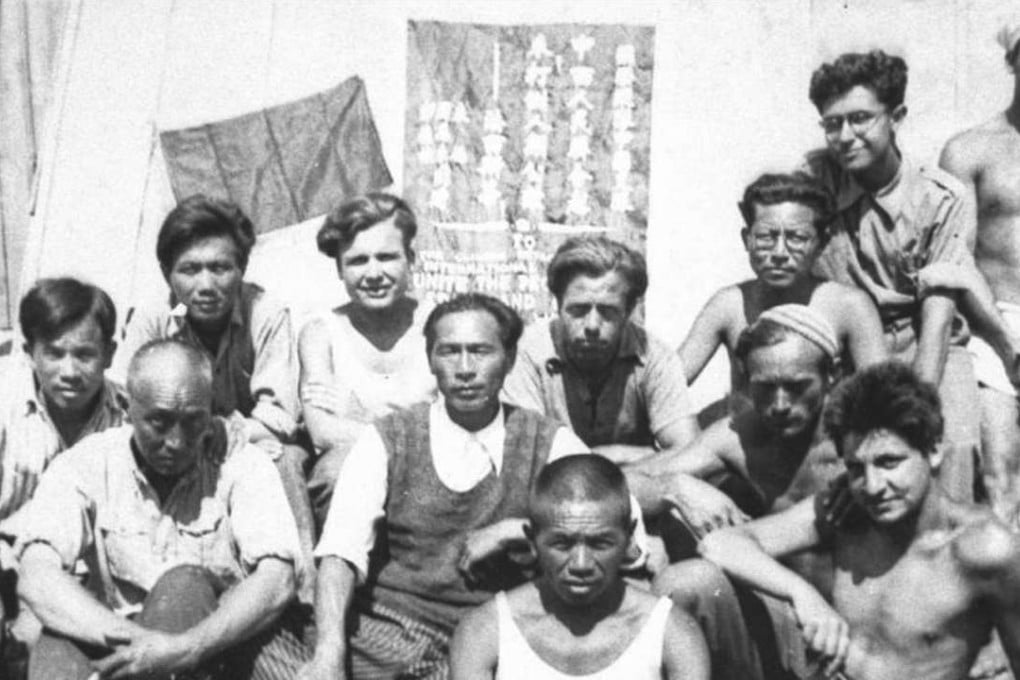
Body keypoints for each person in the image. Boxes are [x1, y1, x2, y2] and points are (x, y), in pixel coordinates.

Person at [298, 293, 622, 680]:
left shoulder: (550, 441)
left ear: (510, 358)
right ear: (431, 360)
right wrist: (329, 653)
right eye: (450, 352)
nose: (465, 368)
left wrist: (518, 531)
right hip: (392, 631)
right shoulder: (389, 438)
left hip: (497, 637)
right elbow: (341, 552)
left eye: (481, 351)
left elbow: (616, 525)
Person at [667, 362, 1020, 680]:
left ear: (934, 450)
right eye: (855, 468)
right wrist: (804, 595)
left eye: (888, 462)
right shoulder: (846, 510)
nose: (873, 486)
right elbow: (719, 544)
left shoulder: (984, 549)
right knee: (686, 582)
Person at [17, 339, 309, 680]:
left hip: (215, 648)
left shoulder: (241, 464)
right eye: (159, 422)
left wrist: (185, 649)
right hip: (114, 637)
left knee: (184, 584)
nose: (176, 441)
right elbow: (36, 575)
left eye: (192, 422)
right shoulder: (86, 464)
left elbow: (277, 580)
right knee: (56, 646)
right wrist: (143, 646)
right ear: (127, 408)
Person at [804, 49, 981, 503]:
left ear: (896, 116)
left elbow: (938, 320)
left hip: (926, 344)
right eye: (832, 123)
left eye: (861, 118)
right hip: (848, 349)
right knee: (834, 457)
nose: (845, 135)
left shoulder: (942, 197)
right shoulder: (815, 180)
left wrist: (911, 410)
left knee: (950, 448)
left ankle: (945, 562)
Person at [112, 194, 314, 584]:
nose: (205, 285)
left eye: (220, 268)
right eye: (190, 269)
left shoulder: (266, 312)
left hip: (250, 443)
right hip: (180, 441)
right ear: (166, 272)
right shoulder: (156, 318)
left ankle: (302, 585)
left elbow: (279, 415)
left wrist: (226, 432)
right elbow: (123, 400)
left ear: (241, 268)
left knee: (285, 459)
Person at [449, 454, 709, 680]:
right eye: (562, 544)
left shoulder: (672, 632)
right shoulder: (485, 631)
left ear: (629, 537)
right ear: (532, 541)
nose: (581, 564)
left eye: (600, 543)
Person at [643, 306, 844, 591]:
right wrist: (674, 488)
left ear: (832, 374)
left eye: (796, 386)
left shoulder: (865, 438)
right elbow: (617, 485)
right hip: (783, 606)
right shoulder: (740, 435)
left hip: (865, 618)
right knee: (685, 583)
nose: (780, 405)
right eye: (764, 388)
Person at [502, 235, 699, 510]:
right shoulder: (525, 354)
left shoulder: (655, 356)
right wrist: (641, 455)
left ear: (630, 309)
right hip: (550, 504)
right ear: (557, 304)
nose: (592, 325)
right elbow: (529, 464)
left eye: (607, 311)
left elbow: (693, 455)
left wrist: (593, 458)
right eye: (579, 310)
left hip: (631, 503)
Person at [0, 278, 127, 668]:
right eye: (54, 354)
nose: (69, 371)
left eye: (84, 355)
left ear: (109, 354)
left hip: (84, 581)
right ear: (28, 353)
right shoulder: (4, 402)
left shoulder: (129, 419)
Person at [680, 172, 886, 402]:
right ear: (747, 240)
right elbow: (668, 384)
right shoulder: (730, 304)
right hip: (749, 434)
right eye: (766, 237)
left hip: (826, 433)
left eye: (796, 238)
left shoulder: (850, 307)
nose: (779, 253)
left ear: (822, 243)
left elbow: (884, 396)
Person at [299, 193, 435, 529]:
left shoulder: (439, 326)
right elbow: (323, 432)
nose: (373, 274)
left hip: (435, 476)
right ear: (339, 269)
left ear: (410, 259)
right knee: (339, 469)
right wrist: (410, 440)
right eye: (358, 261)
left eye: (387, 257)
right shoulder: (320, 333)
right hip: (353, 479)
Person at [935, 21, 1020, 521]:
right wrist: (1008, 344)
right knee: (1000, 474)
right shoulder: (972, 149)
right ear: (1013, 62)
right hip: (997, 323)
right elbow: (957, 260)